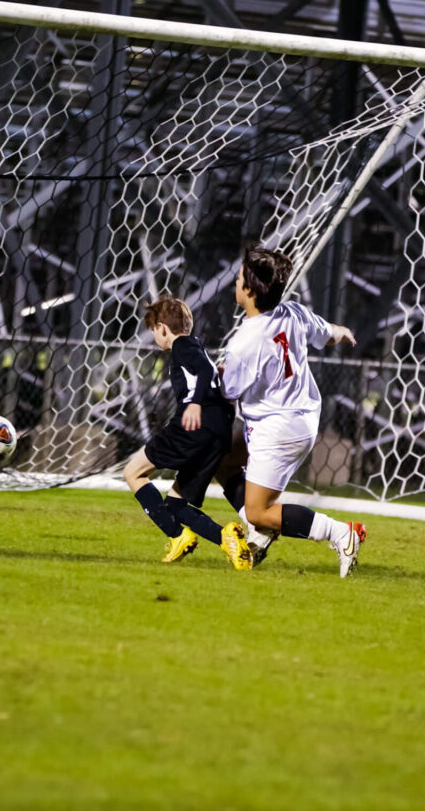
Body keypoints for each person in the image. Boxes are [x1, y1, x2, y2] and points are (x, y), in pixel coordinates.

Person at [219, 247, 366, 577]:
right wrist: (342, 332)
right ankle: (259, 535)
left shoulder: (245, 342)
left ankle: (341, 533)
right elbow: (327, 334)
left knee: (258, 512)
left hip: (278, 428)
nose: (236, 280)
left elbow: (228, 391)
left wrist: (217, 372)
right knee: (221, 457)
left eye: (240, 277)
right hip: (300, 419)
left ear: (250, 291)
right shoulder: (292, 312)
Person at [122, 295, 252, 570]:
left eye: (154, 331)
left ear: (162, 328)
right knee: (175, 504)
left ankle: (177, 536)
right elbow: (207, 371)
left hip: (193, 426)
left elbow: (203, 371)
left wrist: (193, 403)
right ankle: (227, 539)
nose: (155, 336)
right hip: (218, 431)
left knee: (133, 472)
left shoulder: (181, 346)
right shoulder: (197, 346)